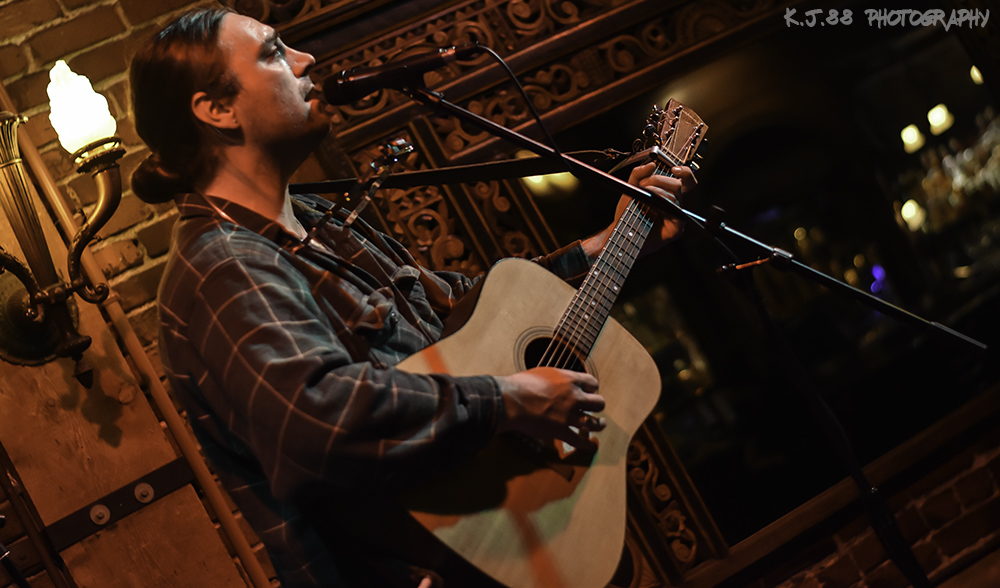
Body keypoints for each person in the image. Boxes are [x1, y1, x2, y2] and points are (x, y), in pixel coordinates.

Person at [129, 7, 696, 588]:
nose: (306, 59)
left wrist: (604, 246)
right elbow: (319, 417)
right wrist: (509, 401)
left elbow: (465, 311)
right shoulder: (224, 265)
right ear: (218, 110)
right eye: (274, 52)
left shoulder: (318, 220)